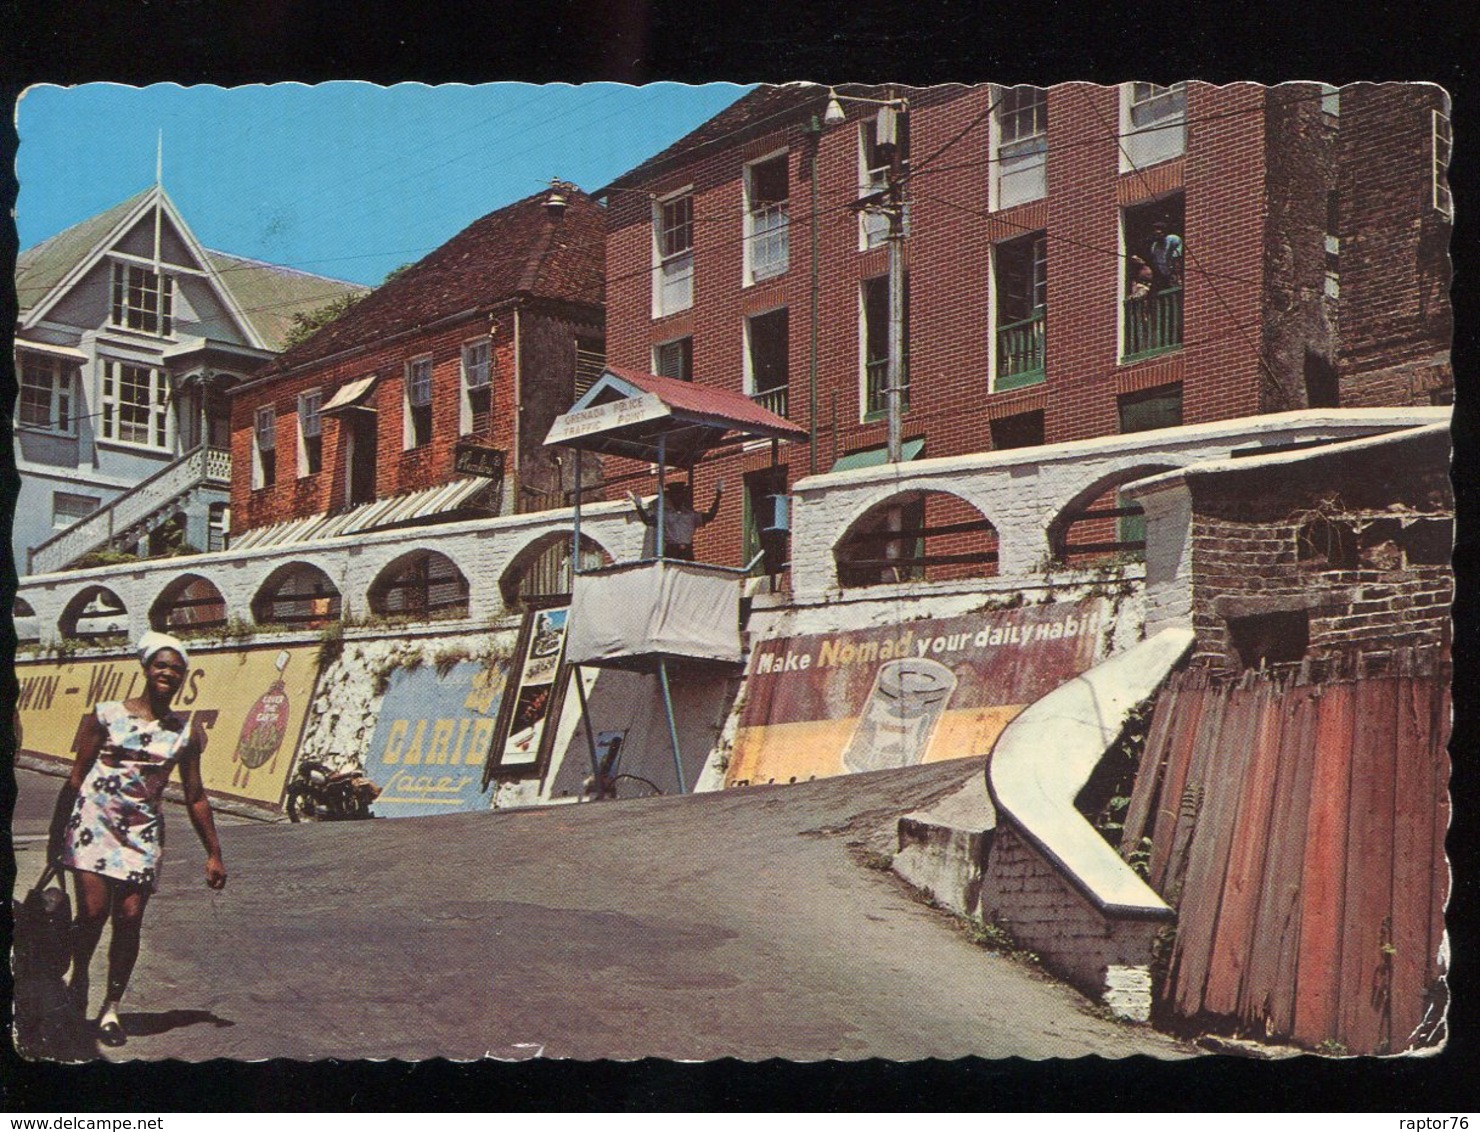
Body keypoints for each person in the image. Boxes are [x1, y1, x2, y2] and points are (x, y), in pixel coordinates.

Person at [47, 630, 227, 1046]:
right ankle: (79, 979)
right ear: (146, 668)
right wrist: (57, 837)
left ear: (184, 677)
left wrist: (214, 853)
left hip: (142, 835)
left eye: (176, 669)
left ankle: (111, 1009)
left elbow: (195, 796)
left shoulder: (185, 734)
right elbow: (76, 778)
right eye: (161, 665)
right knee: (92, 913)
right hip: (93, 825)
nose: (168, 673)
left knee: (128, 920)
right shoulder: (106, 715)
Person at [628, 479, 723, 561]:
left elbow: (710, 516)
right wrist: (639, 506)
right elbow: (648, 521)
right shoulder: (665, 515)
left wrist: (718, 495)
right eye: (675, 495)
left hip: (687, 552)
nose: (678, 498)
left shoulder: (691, 515)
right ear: (670, 497)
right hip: (672, 551)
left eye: (680, 495)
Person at [1148, 220, 1184, 289]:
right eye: (1154, 234)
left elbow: (1177, 258)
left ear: (1164, 232)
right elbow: (1157, 263)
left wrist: (1177, 274)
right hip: (1166, 275)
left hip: (1177, 271)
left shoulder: (1173, 239)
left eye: (1159, 233)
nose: (1157, 236)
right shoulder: (1154, 247)